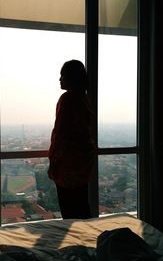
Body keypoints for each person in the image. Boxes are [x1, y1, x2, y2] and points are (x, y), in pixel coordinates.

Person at [48, 59, 97, 219]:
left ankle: (77, 242)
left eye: (62, 75)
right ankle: (88, 240)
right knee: (81, 207)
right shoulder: (83, 99)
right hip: (82, 163)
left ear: (71, 78)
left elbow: (60, 134)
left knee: (69, 210)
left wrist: (53, 162)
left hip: (67, 165)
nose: (59, 79)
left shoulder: (67, 99)